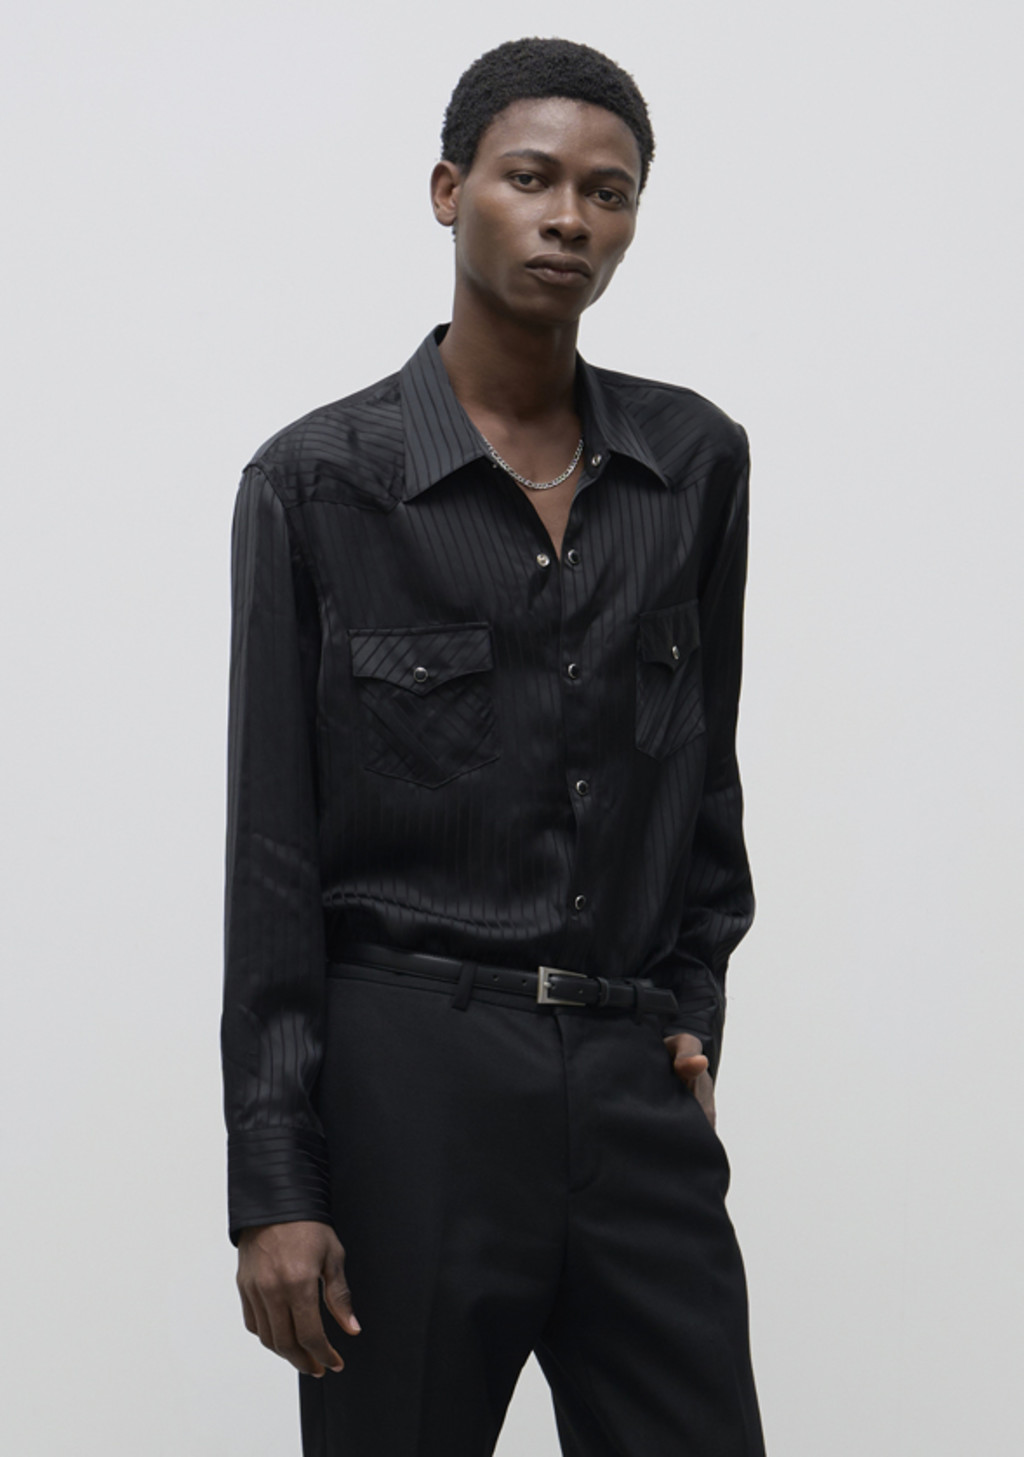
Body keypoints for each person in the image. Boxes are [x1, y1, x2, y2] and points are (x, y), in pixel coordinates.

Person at [222, 35, 766, 1457]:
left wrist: (694, 1005)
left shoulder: (695, 466)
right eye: (532, 179)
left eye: (608, 191)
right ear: (449, 191)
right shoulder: (318, 483)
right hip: (412, 1081)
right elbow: (272, 854)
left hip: (630, 1075)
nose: (570, 218)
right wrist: (276, 1181)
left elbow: (704, 779)